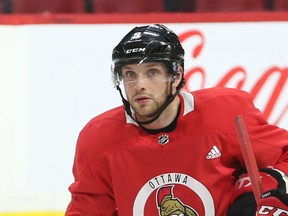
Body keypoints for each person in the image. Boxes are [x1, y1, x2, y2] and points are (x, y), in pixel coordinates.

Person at [65, 24, 288, 215]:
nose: (139, 84)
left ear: (177, 75)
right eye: (129, 74)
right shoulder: (98, 139)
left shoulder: (225, 113)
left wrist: (262, 187)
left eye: (152, 72)